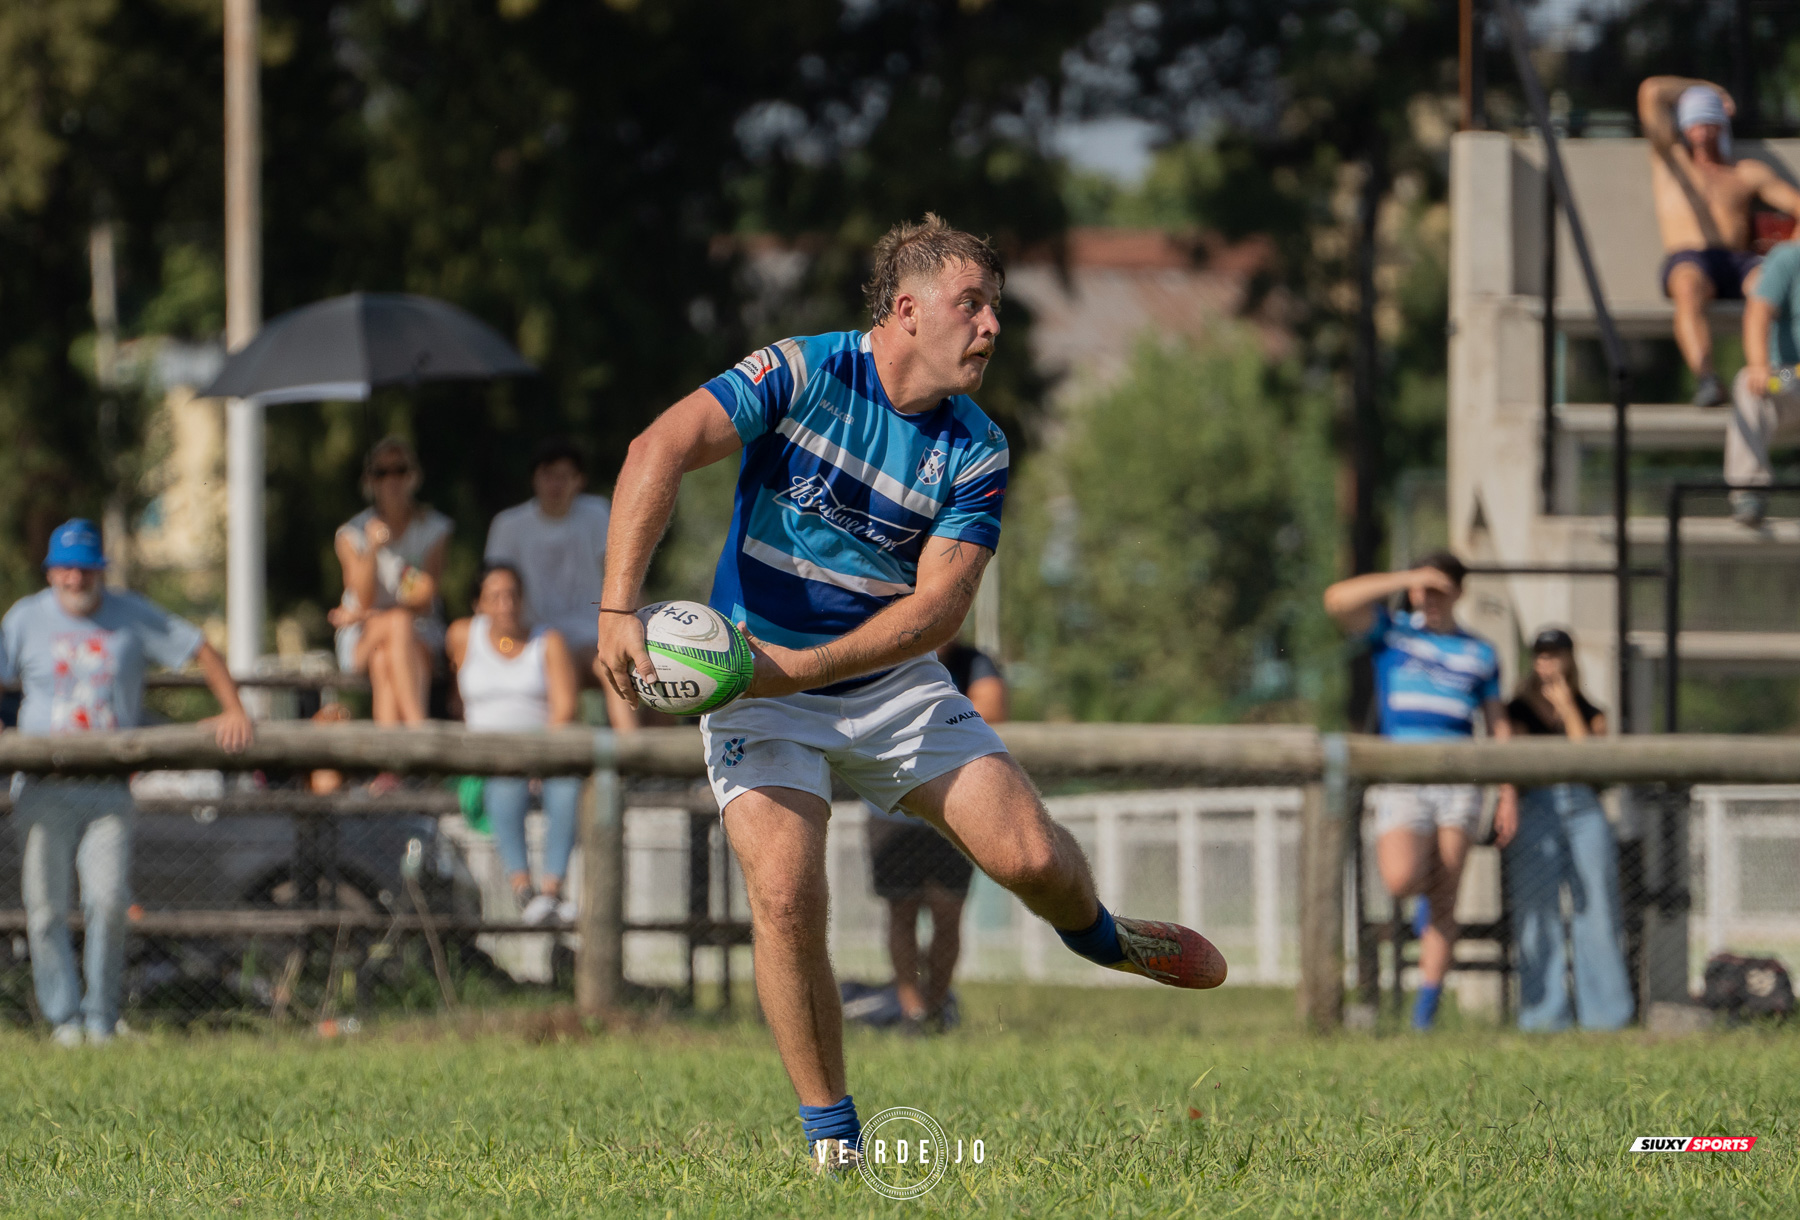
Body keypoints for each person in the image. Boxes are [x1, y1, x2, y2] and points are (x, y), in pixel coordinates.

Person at [597, 214, 1226, 1169]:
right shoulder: (801, 372)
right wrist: (617, 608)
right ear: (906, 311)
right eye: (972, 304)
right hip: (758, 687)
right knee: (785, 894)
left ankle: (1102, 938)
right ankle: (834, 1141)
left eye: (996, 309)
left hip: (889, 681)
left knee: (1029, 858)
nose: (992, 325)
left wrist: (799, 668)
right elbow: (658, 447)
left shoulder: (978, 448)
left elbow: (937, 614)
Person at [0, 519, 253, 1045]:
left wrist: (234, 710)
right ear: (50, 571)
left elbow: (201, 648)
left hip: (109, 787)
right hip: (42, 785)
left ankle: (100, 1017)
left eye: (86, 569)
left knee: (110, 901)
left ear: (101, 572)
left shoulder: (132, 613)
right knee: (43, 910)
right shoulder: (23, 618)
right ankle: (63, 1019)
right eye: (66, 569)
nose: (76, 579)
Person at [1323, 551, 1514, 1031]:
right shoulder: (1392, 632)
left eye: (1438, 589)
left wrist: (1508, 791)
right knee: (1402, 879)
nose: (1427, 598)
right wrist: (1408, 577)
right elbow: (1337, 600)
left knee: (1446, 900)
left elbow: (1497, 724)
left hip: (1459, 781)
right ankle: (1424, 899)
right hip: (1403, 778)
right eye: (1420, 590)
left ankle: (1423, 1016)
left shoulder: (1481, 652)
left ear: (1459, 593)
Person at [864, 638, 1007, 1031]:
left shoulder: (974, 661)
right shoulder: (885, 653)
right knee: (901, 912)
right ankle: (911, 1011)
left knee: (948, 914)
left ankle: (938, 1006)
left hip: (957, 813)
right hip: (891, 811)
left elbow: (993, 712)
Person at [1500, 628, 1634, 1032]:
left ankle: (1606, 1018)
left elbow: (1590, 763)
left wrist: (1567, 706)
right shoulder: (1516, 710)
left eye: (1556, 654)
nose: (1548, 662)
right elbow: (1515, 764)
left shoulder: (1591, 710)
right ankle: (1543, 1017)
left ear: (1570, 659)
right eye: (1541, 655)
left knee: (1596, 908)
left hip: (1584, 807)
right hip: (1535, 807)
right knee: (1536, 912)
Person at [1638, 76, 1800, 406]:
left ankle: (1778, 373)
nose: (1701, 129)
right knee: (1688, 287)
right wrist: (1714, 90)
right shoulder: (1671, 160)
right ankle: (1708, 379)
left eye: (1709, 119)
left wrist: (1791, 252)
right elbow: (1651, 92)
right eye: (1695, 120)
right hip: (1691, 259)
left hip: (1740, 261)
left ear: (1721, 125)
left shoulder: (1746, 173)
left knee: (1770, 285)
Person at [446, 563, 583, 924]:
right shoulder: (463, 635)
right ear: (478, 603)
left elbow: (565, 708)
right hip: (486, 757)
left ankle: (551, 890)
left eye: (512, 596)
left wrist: (538, 759)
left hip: (542, 751)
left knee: (567, 785)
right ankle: (523, 890)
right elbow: (456, 698)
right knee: (505, 781)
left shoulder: (548, 641)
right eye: (494, 597)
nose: (505, 605)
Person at [484, 438, 635, 731]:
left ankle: (634, 750)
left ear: (579, 481)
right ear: (534, 479)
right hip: (532, 640)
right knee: (567, 669)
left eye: (564, 476)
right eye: (548, 475)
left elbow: (624, 574)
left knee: (620, 668)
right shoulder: (508, 525)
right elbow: (491, 588)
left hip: (592, 636)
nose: (555, 485)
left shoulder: (596, 514)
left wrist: (635, 620)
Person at [330, 437, 451, 725]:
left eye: (400, 470)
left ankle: (391, 751)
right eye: (381, 473)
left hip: (417, 631)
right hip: (364, 635)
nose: (391, 480)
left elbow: (423, 597)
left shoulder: (433, 528)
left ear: (414, 476)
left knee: (384, 659)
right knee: (398, 623)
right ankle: (418, 727)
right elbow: (364, 597)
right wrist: (372, 549)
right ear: (369, 481)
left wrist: (367, 614)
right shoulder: (351, 533)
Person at [1726, 238, 1800, 527]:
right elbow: (1758, 311)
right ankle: (1749, 490)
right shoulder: (1788, 258)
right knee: (1748, 383)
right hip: (1791, 376)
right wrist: (1759, 365)